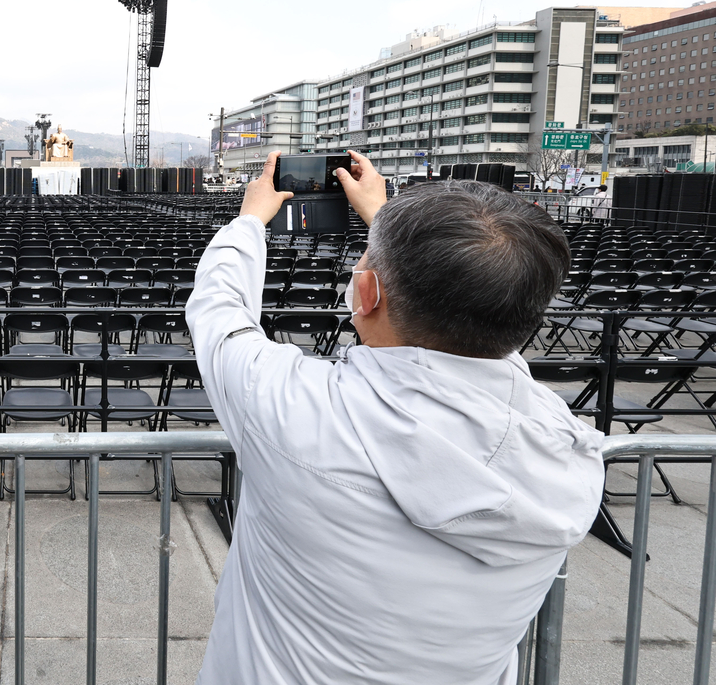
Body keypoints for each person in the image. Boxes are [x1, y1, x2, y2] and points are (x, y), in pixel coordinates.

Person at [186, 150, 604, 685]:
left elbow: (220, 312)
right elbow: (488, 343)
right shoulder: (566, 449)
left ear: (365, 293)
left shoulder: (294, 409)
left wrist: (249, 220)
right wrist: (386, 223)